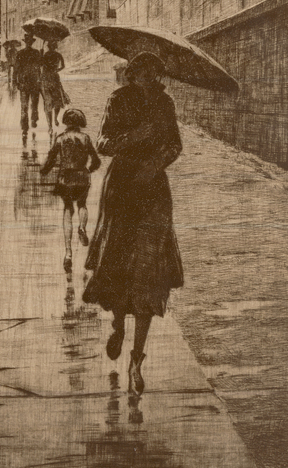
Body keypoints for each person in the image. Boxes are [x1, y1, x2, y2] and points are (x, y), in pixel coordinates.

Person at [83, 52, 184, 396]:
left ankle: (137, 359)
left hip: (153, 188)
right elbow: (103, 143)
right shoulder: (118, 99)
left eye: (155, 73)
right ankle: (117, 327)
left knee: (149, 271)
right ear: (133, 73)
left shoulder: (165, 103)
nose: (150, 78)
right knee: (119, 262)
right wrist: (136, 136)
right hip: (122, 187)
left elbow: (175, 144)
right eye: (143, 72)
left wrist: (157, 162)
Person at [39, 108, 101, 274]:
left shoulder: (61, 139)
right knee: (82, 204)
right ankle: (82, 227)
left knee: (67, 209)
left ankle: (68, 253)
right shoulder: (86, 138)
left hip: (65, 178)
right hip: (82, 177)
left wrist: (44, 170)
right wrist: (89, 169)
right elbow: (96, 161)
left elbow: (51, 159)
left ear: (66, 122)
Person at [14, 32, 42, 137]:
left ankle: (28, 124)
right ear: (27, 42)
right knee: (28, 105)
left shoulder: (33, 53)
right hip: (29, 83)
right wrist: (16, 81)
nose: (29, 43)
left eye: (30, 42)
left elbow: (39, 67)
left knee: (28, 105)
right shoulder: (32, 53)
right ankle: (28, 124)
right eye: (28, 42)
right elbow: (16, 68)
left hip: (29, 82)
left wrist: (15, 81)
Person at [41, 39, 71, 135]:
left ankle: (53, 120)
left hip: (51, 79)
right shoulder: (50, 55)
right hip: (49, 79)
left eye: (52, 46)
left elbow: (62, 66)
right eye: (51, 46)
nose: (52, 48)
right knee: (51, 101)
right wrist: (56, 70)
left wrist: (56, 70)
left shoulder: (55, 55)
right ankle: (51, 124)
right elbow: (41, 64)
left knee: (54, 101)